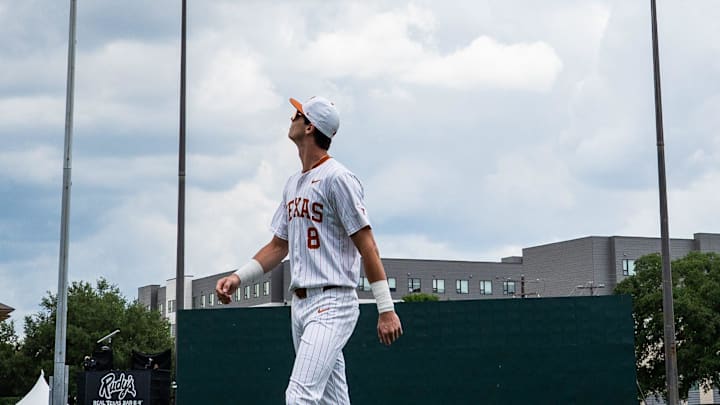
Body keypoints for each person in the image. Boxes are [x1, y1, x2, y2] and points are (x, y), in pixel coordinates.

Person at [216, 96, 403, 404]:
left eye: (298, 114)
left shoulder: (338, 178)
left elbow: (367, 246)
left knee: (299, 396)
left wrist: (386, 308)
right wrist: (238, 278)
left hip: (333, 301)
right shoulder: (293, 184)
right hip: (301, 305)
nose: (292, 117)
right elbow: (278, 246)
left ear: (310, 127)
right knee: (332, 401)